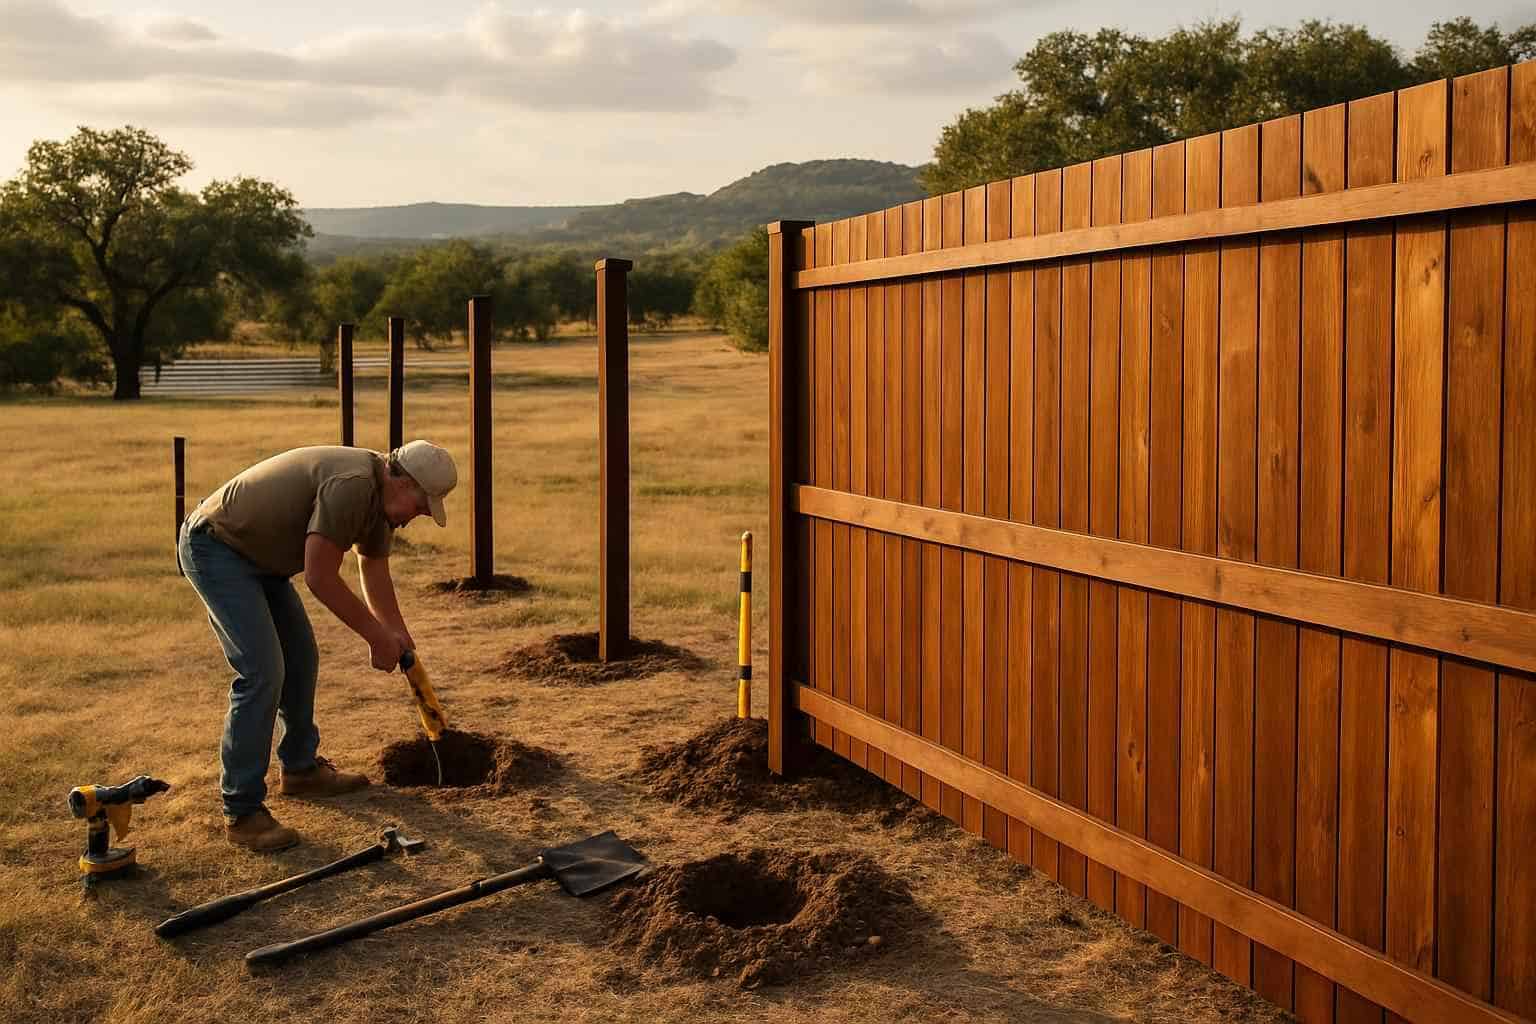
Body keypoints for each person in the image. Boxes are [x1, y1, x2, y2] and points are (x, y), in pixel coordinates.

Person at [177, 440, 457, 852]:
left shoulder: (380, 501)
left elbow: (373, 569)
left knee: (301, 659)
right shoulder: (353, 485)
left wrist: (398, 635)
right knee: (262, 671)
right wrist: (376, 637)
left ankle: (300, 769)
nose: (418, 517)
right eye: (420, 506)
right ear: (401, 481)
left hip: (261, 560)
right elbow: (320, 577)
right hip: (217, 546)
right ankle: (242, 811)